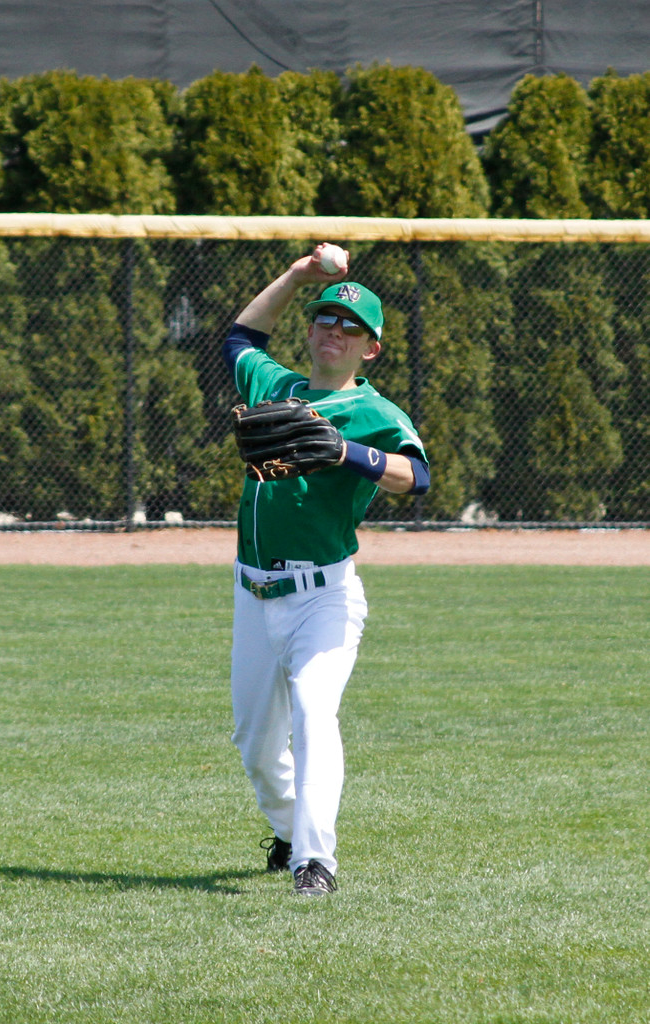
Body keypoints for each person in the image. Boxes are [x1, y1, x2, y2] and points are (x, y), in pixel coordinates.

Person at [222, 242, 430, 896]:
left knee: (314, 714)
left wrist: (347, 452)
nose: (332, 331)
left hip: (324, 598)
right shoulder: (275, 385)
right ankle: (288, 832)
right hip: (253, 594)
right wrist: (296, 274)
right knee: (255, 747)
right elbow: (238, 337)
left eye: (350, 327)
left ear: (371, 348)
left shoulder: (375, 413)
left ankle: (316, 863)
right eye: (323, 319)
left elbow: (416, 478)